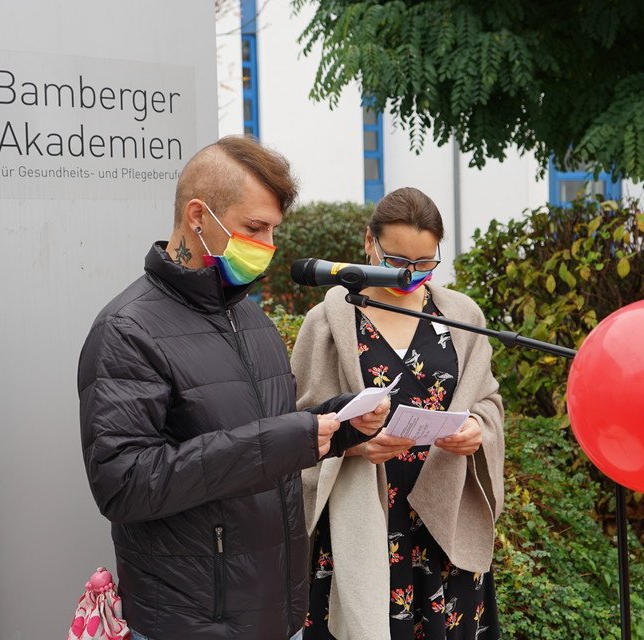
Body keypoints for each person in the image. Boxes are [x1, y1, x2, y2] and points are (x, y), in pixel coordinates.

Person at [78, 135, 389, 640]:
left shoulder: (252, 320)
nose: (268, 245)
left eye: (273, 230)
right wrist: (285, 439)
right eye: (254, 228)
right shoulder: (126, 330)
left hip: (277, 615)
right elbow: (124, 484)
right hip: (191, 625)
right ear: (198, 217)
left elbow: (259, 438)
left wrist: (341, 423)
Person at [291, 187, 505, 640]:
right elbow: (298, 425)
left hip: (442, 518)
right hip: (363, 519)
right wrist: (354, 445)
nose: (410, 274)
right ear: (369, 242)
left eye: (425, 263)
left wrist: (477, 429)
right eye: (397, 261)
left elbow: (488, 401)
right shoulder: (327, 322)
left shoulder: (461, 315)